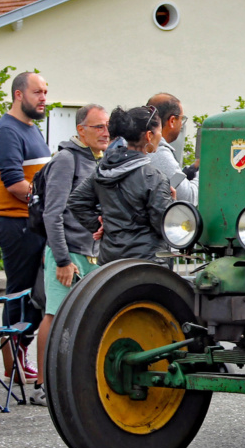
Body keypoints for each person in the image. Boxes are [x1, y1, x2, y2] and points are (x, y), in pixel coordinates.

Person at [31, 104, 109, 407]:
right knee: (54, 315)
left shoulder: (98, 159)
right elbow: (53, 214)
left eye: (107, 126)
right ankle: (42, 385)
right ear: (81, 130)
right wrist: (62, 259)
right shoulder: (66, 159)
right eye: (98, 127)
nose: (105, 133)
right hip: (67, 253)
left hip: (91, 252)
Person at [0, 71, 51, 383]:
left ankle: (22, 349)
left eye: (45, 92)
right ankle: (12, 361)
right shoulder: (7, 130)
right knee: (20, 292)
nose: (43, 98)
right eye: (37, 92)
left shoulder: (31, 128)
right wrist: (48, 202)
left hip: (35, 223)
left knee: (39, 294)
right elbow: (14, 183)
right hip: (15, 223)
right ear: (18, 94)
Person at [68, 106, 173, 265]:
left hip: (109, 262)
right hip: (147, 264)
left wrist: (101, 224)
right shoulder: (153, 177)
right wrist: (172, 203)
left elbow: (76, 201)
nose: (160, 138)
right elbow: (164, 225)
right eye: (159, 133)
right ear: (149, 136)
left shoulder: (103, 169)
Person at [146, 93, 198, 205]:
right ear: (172, 121)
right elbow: (188, 198)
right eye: (181, 119)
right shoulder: (158, 152)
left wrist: (192, 169)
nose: (181, 124)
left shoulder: (140, 143)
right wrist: (203, 172)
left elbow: (173, 182)